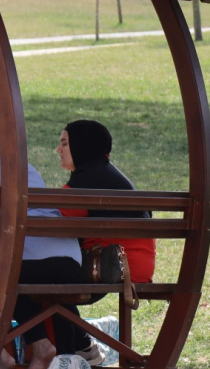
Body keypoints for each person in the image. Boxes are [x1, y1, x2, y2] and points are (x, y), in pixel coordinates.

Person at [0, 112, 91, 369]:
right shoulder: (27, 166)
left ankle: (23, 350)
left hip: (31, 262)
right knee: (11, 275)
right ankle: (61, 358)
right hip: (69, 261)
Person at [56, 119, 156, 283]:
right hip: (136, 267)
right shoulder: (112, 176)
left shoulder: (84, 182)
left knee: (36, 268)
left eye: (65, 144)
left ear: (81, 145)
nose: (58, 150)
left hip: (110, 266)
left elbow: (53, 219)